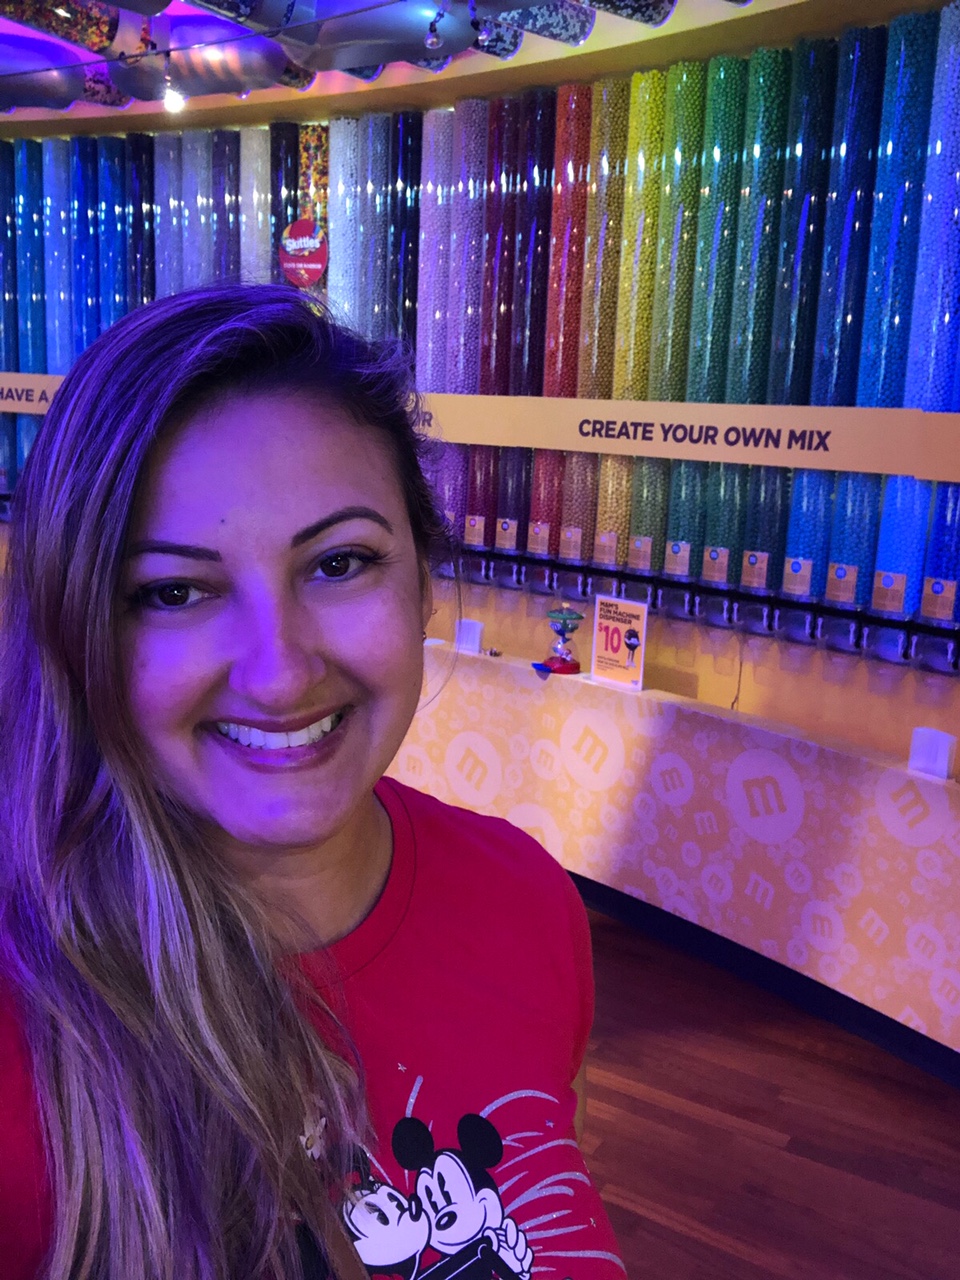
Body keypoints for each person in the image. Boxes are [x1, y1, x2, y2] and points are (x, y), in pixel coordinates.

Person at [0, 286, 625, 1280]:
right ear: (80, 631)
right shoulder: (24, 1031)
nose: (281, 672)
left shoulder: (525, 900)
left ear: (424, 582)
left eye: (338, 564)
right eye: (173, 590)